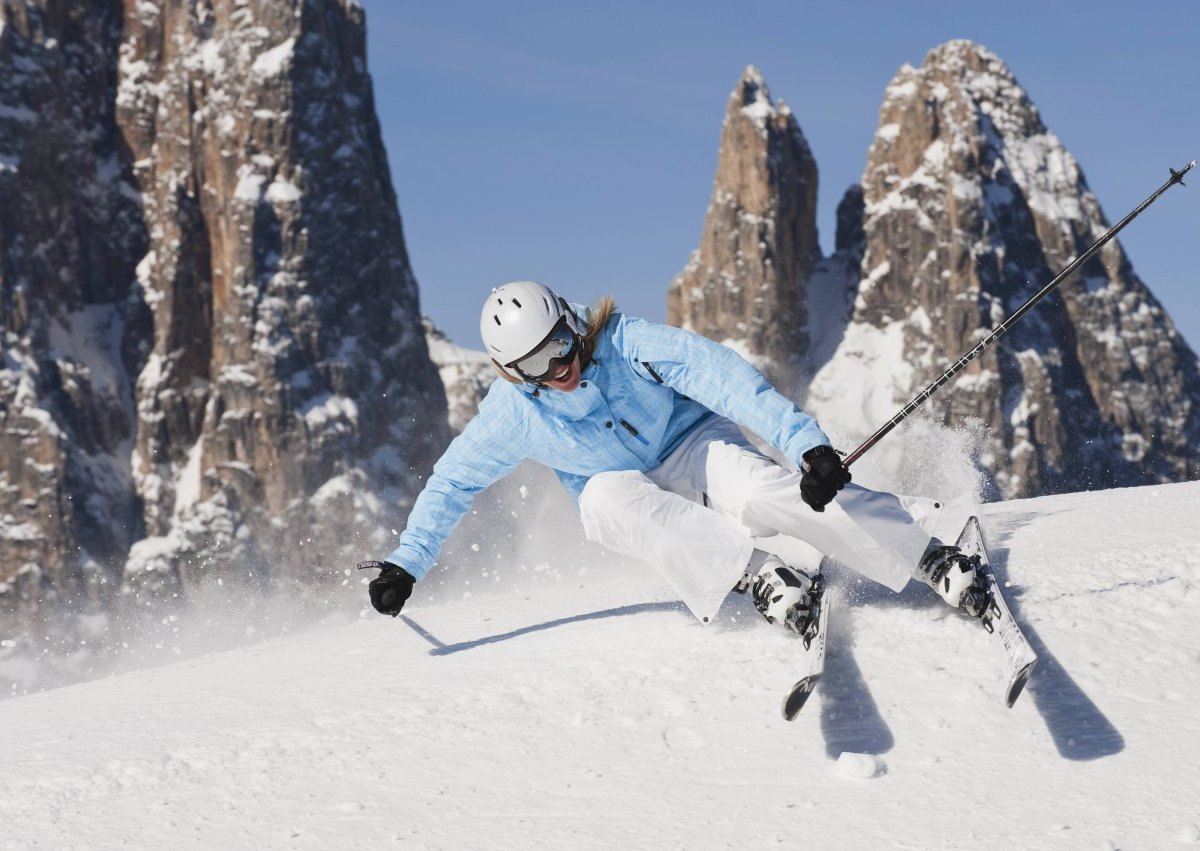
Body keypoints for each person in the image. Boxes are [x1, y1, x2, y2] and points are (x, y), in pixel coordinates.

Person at [363, 281, 984, 632]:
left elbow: (729, 381)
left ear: (570, 323)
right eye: (534, 365)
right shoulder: (514, 415)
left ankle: (929, 551)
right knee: (602, 502)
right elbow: (452, 483)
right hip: (621, 487)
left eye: (559, 344)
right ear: (512, 373)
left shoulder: (627, 344)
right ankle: (764, 576)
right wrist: (407, 564)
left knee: (761, 494)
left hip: (695, 448)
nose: (559, 368)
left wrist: (809, 447)